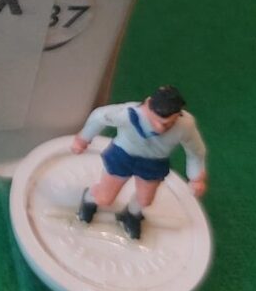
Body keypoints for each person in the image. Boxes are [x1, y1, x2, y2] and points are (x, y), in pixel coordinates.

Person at [72, 85, 206, 240]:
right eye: (156, 120)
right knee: (105, 198)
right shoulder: (127, 114)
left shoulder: (185, 126)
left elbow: (195, 151)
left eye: (168, 123)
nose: (160, 128)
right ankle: (89, 199)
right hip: (122, 157)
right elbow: (99, 116)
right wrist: (83, 139)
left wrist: (196, 177)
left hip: (153, 163)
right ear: (148, 105)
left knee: (145, 200)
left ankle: (130, 215)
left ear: (178, 115)